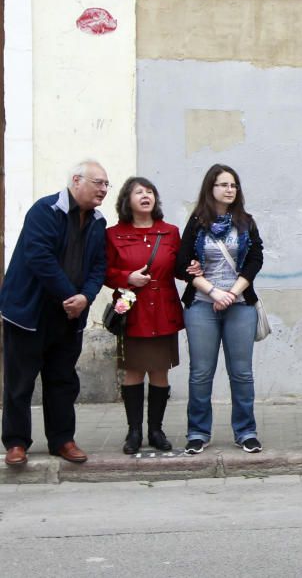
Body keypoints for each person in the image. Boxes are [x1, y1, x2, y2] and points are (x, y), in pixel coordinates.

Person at [1, 160, 109, 467]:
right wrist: (69, 295)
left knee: (62, 380)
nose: (103, 189)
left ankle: (62, 440)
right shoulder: (45, 210)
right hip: (29, 312)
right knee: (20, 381)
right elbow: (39, 257)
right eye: (98, 182)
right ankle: (16, 443)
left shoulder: (98, 222)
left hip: (69, 315)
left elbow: (99, 267)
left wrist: (85, 298)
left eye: (106, 184)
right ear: (76, 181)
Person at [175, 164, 265, 455]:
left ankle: (246, 431)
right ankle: (198, 432)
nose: (230, 190)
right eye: (224, 185)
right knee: (201, 372)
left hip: (240, 305)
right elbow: (181, 264)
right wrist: (213, 291)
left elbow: (255, 260)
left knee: (242, 373)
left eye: (234, 185)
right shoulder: (197, 222)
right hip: (202, 304)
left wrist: (232, 293)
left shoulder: (246, 222)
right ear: (210, 188)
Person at [105, 177, 184, 454]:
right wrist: (127, 277)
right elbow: (103, 271)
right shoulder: (113, 234)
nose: (145, 195)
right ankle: (134, 432)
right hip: (132, 309)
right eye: (138, 192)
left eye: (150, 191)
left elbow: (180, 267)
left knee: (160, 371)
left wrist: (195, 268)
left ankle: (156, 430)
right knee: (134, 370)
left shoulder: (170, 232)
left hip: (163, 309)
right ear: (127, 200)